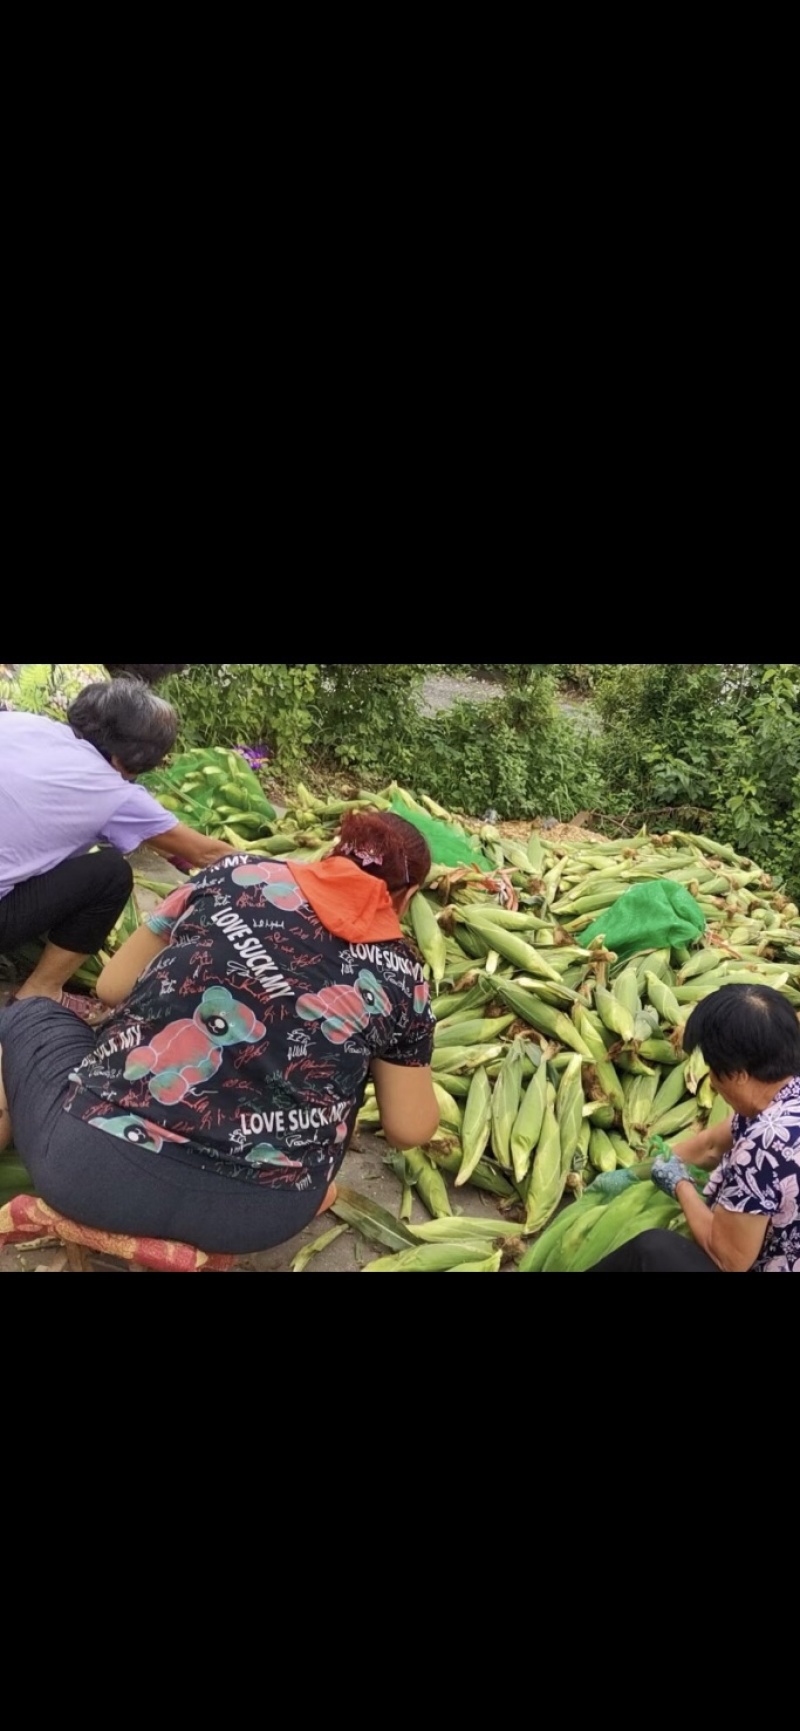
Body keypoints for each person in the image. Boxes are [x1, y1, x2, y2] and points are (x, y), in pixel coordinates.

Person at [0, 811, 440, 1255]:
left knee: (31, 1011)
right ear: (408, 897)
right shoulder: (407, 979)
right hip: (261, 1216)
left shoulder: (235, 875)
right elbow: (408, 1128)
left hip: (90, 1172)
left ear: (331, 852)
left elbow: (112, 986)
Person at [0, 678, 233, 1013]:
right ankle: (40, 991)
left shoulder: (20, 722)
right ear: (136, 759)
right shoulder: (115, 794)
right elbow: (208, 854)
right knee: (110, 872)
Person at [588, 983, 800, 1273]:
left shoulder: (763, 1144)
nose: (711, 1081)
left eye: (713, 1068)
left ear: (738, 1074)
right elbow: (712, 1144)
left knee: (653, 1249)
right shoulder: (783, 1095)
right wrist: (641, 1171)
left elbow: (729, 1259)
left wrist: (680, 1186)